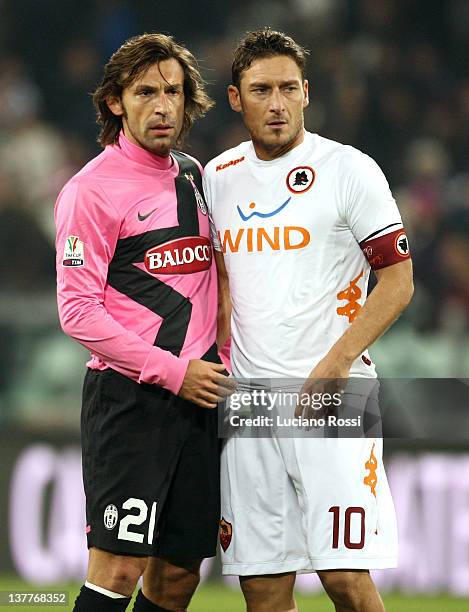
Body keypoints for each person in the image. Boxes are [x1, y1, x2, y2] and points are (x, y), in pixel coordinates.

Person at [203, 28, 414, 612]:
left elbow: (399, 280)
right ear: (235, 98)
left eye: (288, 88)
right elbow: (220, 283)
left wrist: (338, 361)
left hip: (331, 399)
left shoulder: (350, 170)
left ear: (307, 93)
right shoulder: (217, 178)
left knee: (345, 578)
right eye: (262, 89)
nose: (277, 103)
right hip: (249, 405)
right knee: (263, 588)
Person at [55, 33, 231, 612]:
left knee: (179, 575)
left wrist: (216, 363)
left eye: (174, 93)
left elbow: (210, 281)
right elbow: (77, 310)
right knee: (119, 567)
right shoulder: (91, 190)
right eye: (146, 92)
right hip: (131, 400)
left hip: (200, 399)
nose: (163, 107)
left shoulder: (191, 174)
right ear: (115, 102)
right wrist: (171, 371)